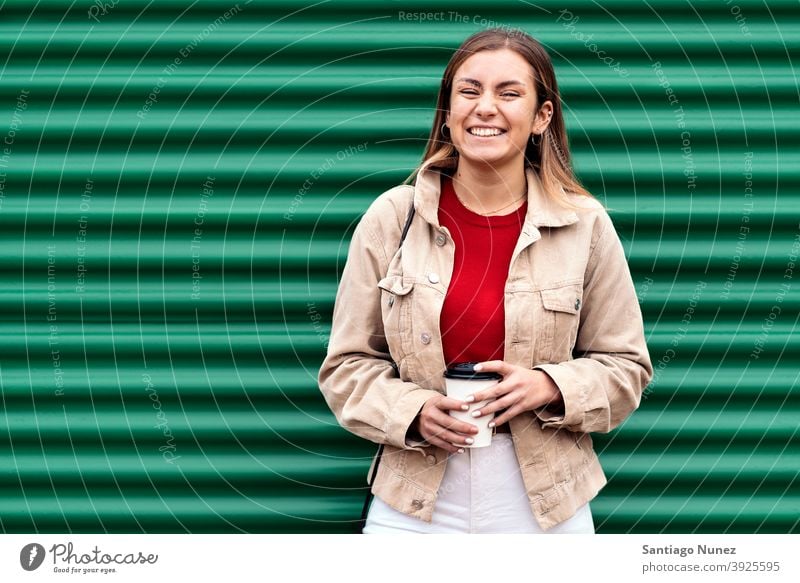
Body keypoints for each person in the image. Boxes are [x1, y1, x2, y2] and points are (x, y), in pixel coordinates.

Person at [317, 27, 652, 534]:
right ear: (447, 113)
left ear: (543, 116)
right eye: (469, 91)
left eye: (509, 93)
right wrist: (413, 410)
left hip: (548, 504)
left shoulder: (584, 224)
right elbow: (346, 367)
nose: (485, 108)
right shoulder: (393, 216)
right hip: (412, 505)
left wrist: (549, 385)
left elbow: (626, 369)